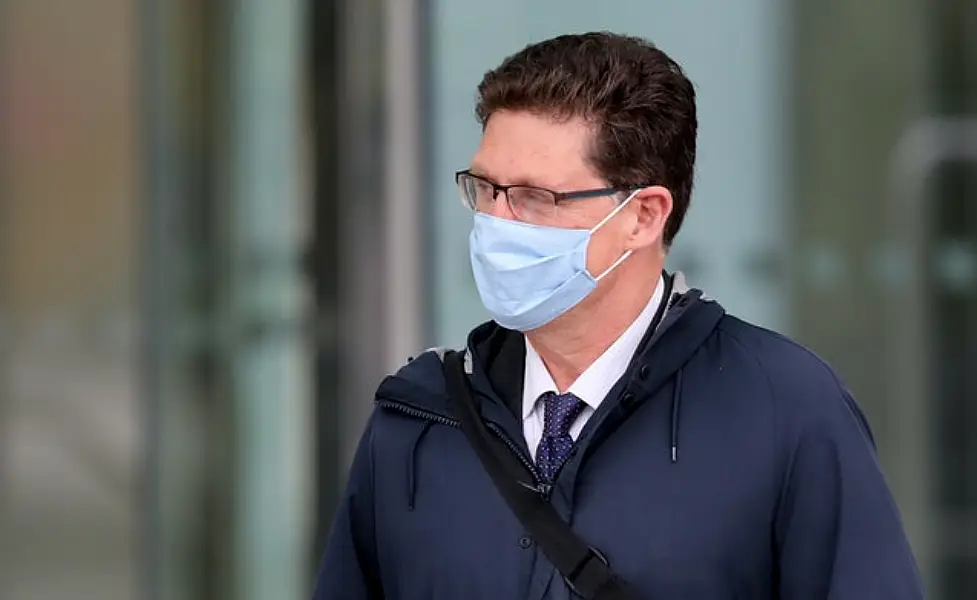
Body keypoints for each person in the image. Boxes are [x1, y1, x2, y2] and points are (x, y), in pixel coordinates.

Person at [313, 31, 924, 599]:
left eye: (534, 197)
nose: (497, 222)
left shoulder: (786, 411)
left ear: (644, 215)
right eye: (486, 188)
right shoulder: (417, 420)